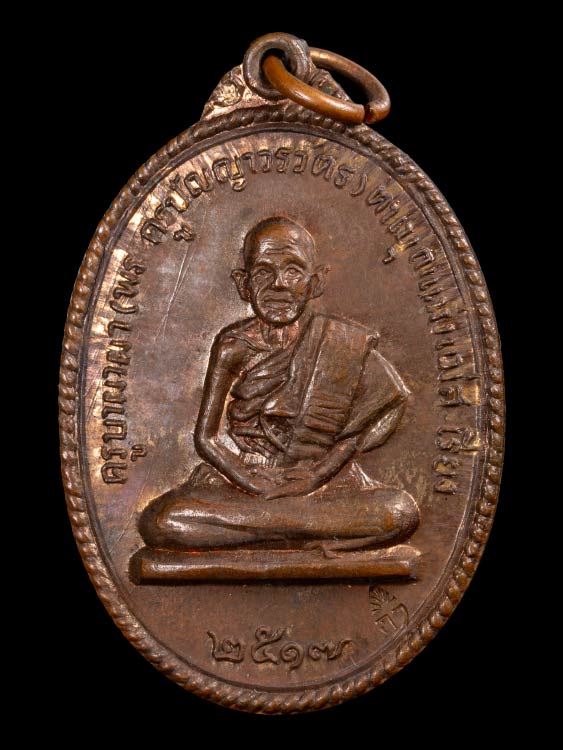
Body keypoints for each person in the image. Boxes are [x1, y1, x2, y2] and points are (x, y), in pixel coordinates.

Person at [140, 217, 419, 554]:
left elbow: (381, 412)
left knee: (399, 511)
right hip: (246, 480)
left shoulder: (342, 344)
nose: (279, 285)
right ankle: (299, 530)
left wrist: (317, 475)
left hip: (324, 484)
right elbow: (206, 438)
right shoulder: (232, 346)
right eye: (263, 273)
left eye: (294, 272)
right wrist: (251, 481)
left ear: (315, 282)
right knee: (162, 520)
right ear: (243, 284)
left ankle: (269, 529)